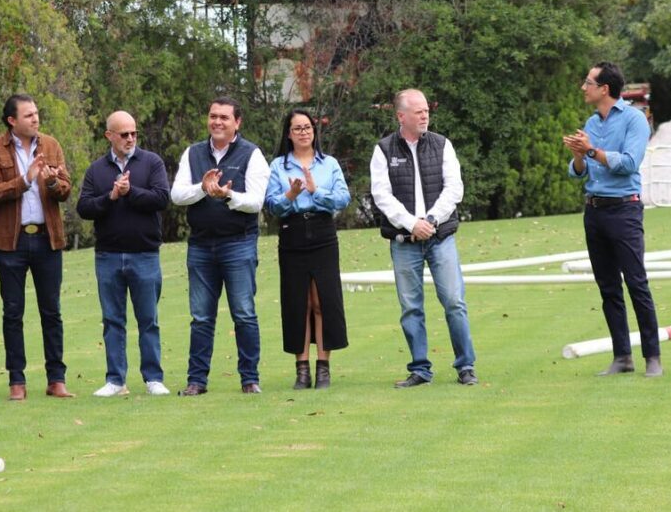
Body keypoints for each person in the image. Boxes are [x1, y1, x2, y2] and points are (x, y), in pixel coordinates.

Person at [370, 88, 478, 388]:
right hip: (404, 242)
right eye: (418, 111)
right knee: (411, 308)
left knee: (454, 302)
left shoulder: (442, 144)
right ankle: (420, 369)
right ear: (400, 116)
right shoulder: (383, 150)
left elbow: (454, 189)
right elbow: (381, 195)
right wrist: (410, 224)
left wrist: (430, 220)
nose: (424, 115)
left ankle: (466, 366)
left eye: (426, 110)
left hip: (439, 236)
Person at [564, 61, 662, 377]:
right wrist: (579, 155)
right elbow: (576, 173)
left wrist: (591, 151)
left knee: (636, 283)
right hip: (594, 212)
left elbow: (629, 163)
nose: (583, 87)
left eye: (587, 82)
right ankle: (623, 357)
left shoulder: (635, 120)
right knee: (607, 287)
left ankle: (652, 357)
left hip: (624, 211)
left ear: (604, 88)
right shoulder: (591, 123)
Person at [171, 97, 270, 395]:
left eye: (224, 117)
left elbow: (256, 202)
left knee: (243, 313)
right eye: (213, 116)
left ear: (237, 122)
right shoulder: (193, 153)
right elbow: (176, 195)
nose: (217, 122)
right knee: (201, 316)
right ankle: (196, 381)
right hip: (201, 245)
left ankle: (249, 379)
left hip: (238, 243)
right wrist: (203, 188)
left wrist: (227, 195)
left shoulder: (252, 154)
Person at [0, 94, 74, 401]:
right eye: (28, 115)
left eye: (36, 113)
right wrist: (25, 180)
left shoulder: (51, 145)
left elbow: (66, 189)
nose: (35, 119)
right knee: (12, 312)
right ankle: (16, 381)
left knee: (52, 311)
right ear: (12, 121)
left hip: (48, 239)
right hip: (11, 242)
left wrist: (50, 183)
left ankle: (56, 379)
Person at [77, 111, 172, 396]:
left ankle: (153, 378)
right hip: (108, 256)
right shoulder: (97, 170)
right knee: (113, 320)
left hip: (144, 254)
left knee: (148, 319)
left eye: (133, 133)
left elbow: (161, 198)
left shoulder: (151, 162)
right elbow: (84, 207)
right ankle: (116, 380)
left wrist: (131, 192)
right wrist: (111, 197)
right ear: (109, 136)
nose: (130, 138)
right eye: (123, 134)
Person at [265, 109, 351, 390]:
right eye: (297, 128)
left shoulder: (329, 164)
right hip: (292, 234)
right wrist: (290, 195)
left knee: (321, 300)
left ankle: (323, 368)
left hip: (323, 233)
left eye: (307, 127)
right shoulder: (279, 165)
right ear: (288, 134)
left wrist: (316, 192)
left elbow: (343, 198)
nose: (303, 132)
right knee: (297, 301)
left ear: (314, 131)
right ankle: (301, 369)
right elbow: (271, 205)